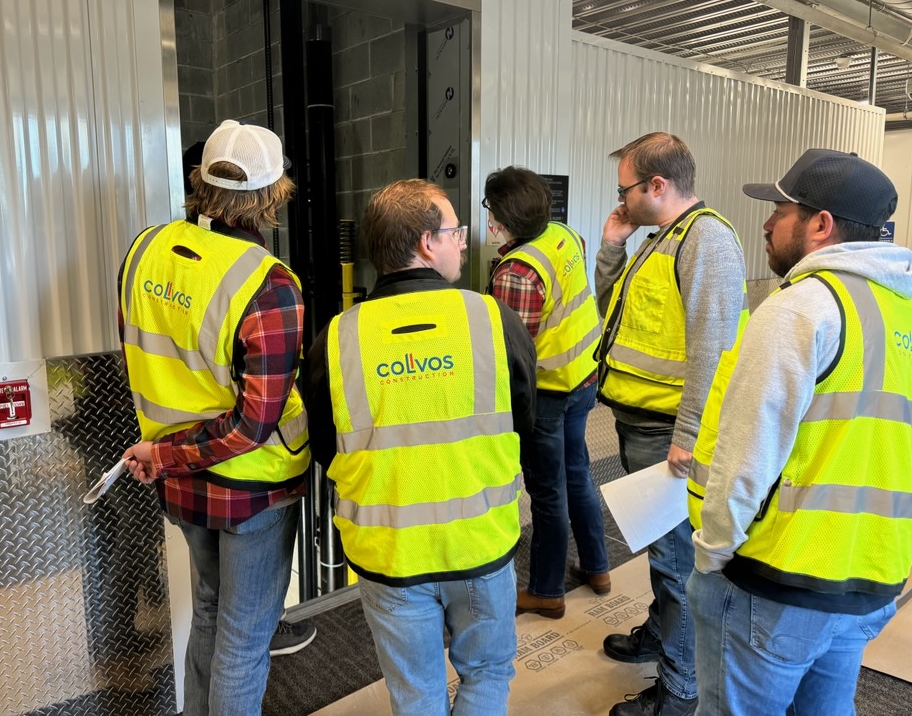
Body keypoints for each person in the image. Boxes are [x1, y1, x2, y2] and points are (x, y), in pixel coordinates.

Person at [686, 149, 912, 716]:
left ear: (820, 225)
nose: (766, 223)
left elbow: (746, 456)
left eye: (781, 209)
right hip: (871, 579)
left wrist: (712, 555)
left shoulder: (803, 308)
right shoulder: (903, 313)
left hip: (778, 580)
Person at [306, 179, 537, 715]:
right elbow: (524, 421)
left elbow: (324, 447)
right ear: (427, 243)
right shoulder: (491, 319)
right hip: (478, 545)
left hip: (389, 552)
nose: (463, 241)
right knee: (487, 672)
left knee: (415, 694)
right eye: (455, 231)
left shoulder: (336, 339)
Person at [119, 119, 315, 716]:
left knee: (210, 608)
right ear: (273, 194)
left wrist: (164, 455)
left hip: (177, 482)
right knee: (244, 638)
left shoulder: (145, 249)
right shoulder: (268, 283)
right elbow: (253, 425)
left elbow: (140, 356)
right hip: (254, 488)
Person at [594, 132, 747, 716]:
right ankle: (661, 635)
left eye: (625, 190)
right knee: (661, 549)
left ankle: (681, 691)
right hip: (640, 424)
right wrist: (612, 245)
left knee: (675, 561)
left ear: (657, 186)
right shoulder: (663, 239)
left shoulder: (706, 239)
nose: (621, 200)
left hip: (667, 434)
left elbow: (712, 348)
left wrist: (687, 438)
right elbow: (611, 312)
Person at [483, 166, 609, 618]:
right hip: (583, 378)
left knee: (549, 491)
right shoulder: (563, 234)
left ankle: (547, 589)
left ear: (502, 216)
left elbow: (515, 353)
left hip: (550, 393)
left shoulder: (517, 271)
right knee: (577, 473)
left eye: (490, 210)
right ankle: (597, 566)